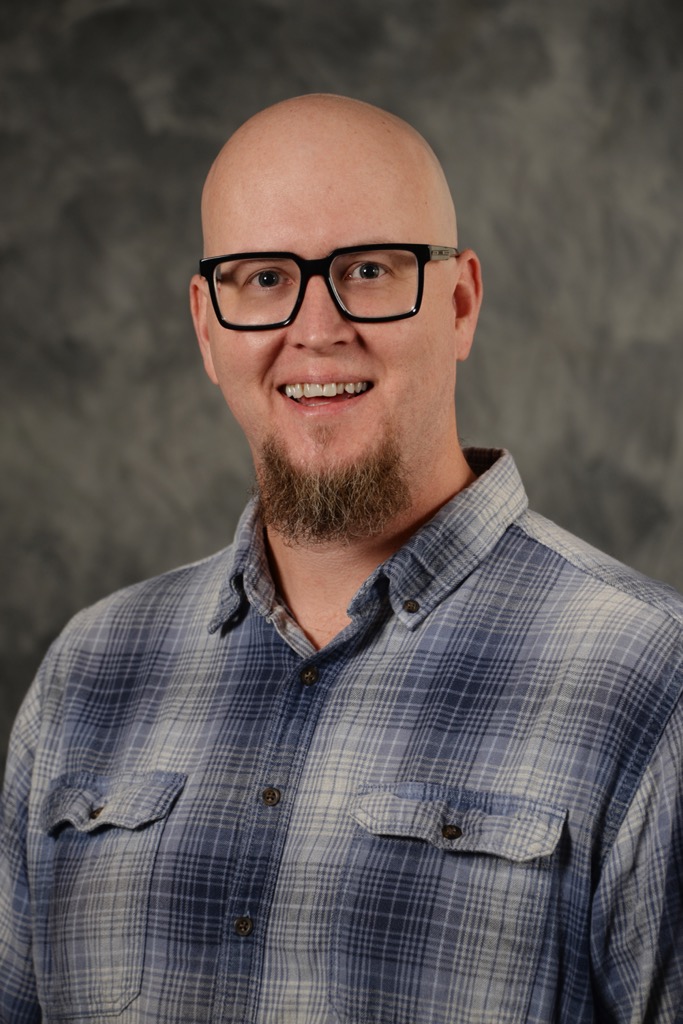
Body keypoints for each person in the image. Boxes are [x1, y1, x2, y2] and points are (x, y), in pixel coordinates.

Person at [1, 94, 681, 1024]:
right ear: (207, 326)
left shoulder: (650, 680)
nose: (316, 329)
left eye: (367, 269)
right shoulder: (90, 672)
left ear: (460, 303)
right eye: (262, 279)